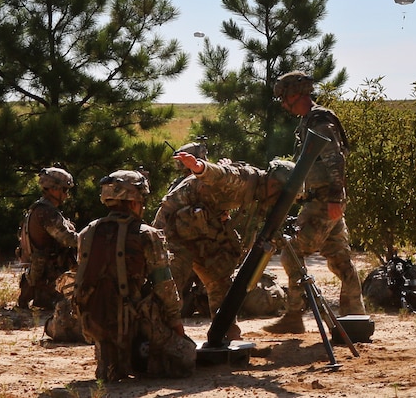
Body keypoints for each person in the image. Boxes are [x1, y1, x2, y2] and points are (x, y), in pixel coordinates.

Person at [153, 150, 297, 340]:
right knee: (171, 280)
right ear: (273, 184)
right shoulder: (245, 180)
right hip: (174, 223)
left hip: (203, 227)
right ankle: (157, 336)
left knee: (220, 278)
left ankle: (225, 334)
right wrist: (198, 166)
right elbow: (220, 174)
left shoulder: (261, 194)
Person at [75, 170, 194, 382]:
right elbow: (164, 286)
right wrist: (176, 326)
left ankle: (112, 358)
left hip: (95, 320)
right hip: (135, 320)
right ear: (134, 201)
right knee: (187, 355)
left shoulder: (87, 233)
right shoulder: (146, 234)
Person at [270, 70, 365, 333]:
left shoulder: (320, 121)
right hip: (322, 199)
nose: (282, 104)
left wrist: (335, 197)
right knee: (339, 258)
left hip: (324, 201)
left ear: (295, 94)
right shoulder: (309, 120)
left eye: (284, 97)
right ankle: (355, 318)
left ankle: (293, 316)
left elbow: (336, 160)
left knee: (292, 252)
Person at [16, 167, 78, 310]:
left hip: (41, 275)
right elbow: (68, 239)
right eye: (64, 190)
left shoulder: (39, 209)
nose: (66, 195)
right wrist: (89, 237)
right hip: (48, 278)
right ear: (53, 189)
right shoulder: (46, 212)